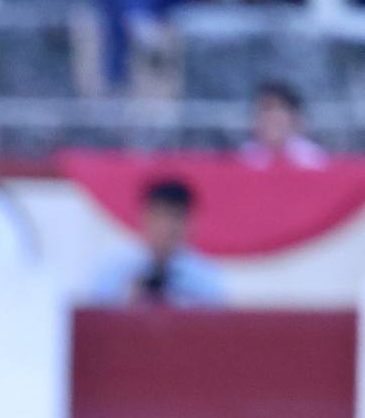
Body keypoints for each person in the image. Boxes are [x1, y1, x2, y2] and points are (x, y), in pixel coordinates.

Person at [88, 175, 224, 307]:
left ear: (190, 223)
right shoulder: (113, 270)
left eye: (175, 217)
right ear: (143, 217)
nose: (166, 226)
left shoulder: (205, 278)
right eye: (159, 216)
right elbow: (94, 321)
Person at [241, 79, 326, 171]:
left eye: (277, 110)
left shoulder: (313, 159)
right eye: (263, 111)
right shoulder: (244, 158)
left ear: (294, 117)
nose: (269, 118)